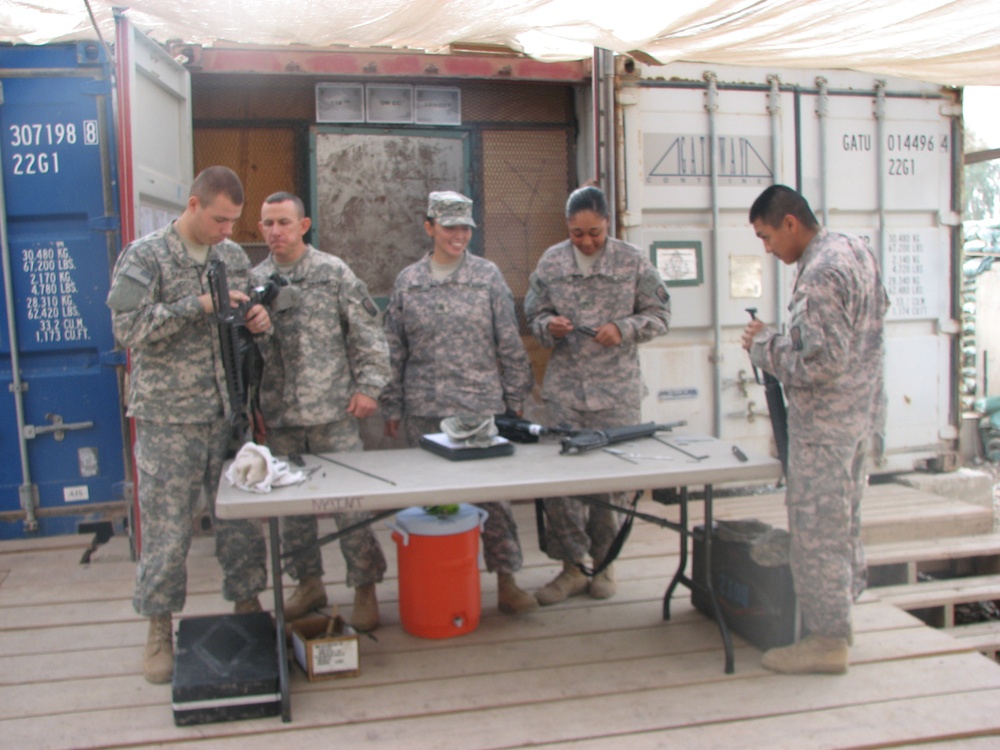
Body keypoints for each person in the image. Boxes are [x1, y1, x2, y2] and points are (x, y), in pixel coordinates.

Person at [106, 166, 271, 685]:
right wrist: (193, 306)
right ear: (194, 205)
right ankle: (159, 627)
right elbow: (126, 328)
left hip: (226, 413)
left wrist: (257, 320)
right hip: (168, 418)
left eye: (234, 222)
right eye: (220, 219)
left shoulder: (232, 257)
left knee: (240, 522)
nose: (227, 230)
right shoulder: (146, 256)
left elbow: (241, 322)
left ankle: (248, 605)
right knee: (167, 529)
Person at [740, 184, 888, 675]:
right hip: (858, 417)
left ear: (790, 223)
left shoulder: (821, 273)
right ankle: (839, 622)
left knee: (818, 534)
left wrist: (764, 346)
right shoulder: (855, 250)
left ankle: (825, 641)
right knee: (843, 527)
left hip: (825, 428)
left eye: (766, 237)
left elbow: (819, 362)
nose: (766, 248)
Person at [380, 190, 538, 615]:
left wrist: (515, 397)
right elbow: (394, 348)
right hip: (425, 408)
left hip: (479, 408)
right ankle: (440, 579)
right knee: (431, 498)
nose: (459, 235)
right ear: (429, 227)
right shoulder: (408, 281)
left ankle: (507, 581)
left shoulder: (487, 276)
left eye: (465, 227)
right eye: (450, 226)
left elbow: (509, 340)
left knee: (493, 500)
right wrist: (391, 406)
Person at [524, 185, 670, 605]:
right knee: (562, 484)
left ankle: (606, 565)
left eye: (595, 233)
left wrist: (623, 329)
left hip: (616, 392)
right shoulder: (551, 262)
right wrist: (548, 327)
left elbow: (661, 315)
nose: (586, 241)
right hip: (565, 392)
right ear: (566, 228)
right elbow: (533, 314)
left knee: (614, 485)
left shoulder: (633, 261)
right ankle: (571, 568)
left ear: (609, 224)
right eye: (577, 233)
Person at [251, 191, 390, 631]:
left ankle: (365, 588)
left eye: (284, 222)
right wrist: (252, 408)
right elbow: (243, 355)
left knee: (350, 507)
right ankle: (308, 583)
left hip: (334, 413)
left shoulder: (332, 273)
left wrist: (369, 387)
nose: (276, 231)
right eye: (268, 223)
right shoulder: (254, 281)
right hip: (280, 418)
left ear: (303, 226)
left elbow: (368, 332)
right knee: (292, 514)